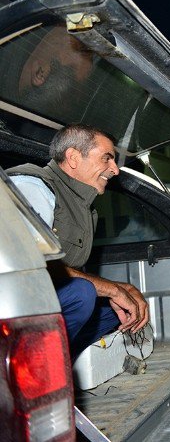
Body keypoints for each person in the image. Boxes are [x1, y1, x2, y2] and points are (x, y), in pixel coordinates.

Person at [7, 124, 149, 359]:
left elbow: (66, 271)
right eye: (107, 158)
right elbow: (31, 263)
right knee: (82, 292)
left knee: (120, 309)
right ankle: (34, 364)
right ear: (73, 157)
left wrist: (122, 290)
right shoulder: (33, 187)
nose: (115, 170)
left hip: (35, 298)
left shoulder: (80, 203)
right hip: (13, 299)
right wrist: (112, 289)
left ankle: (61, 358)